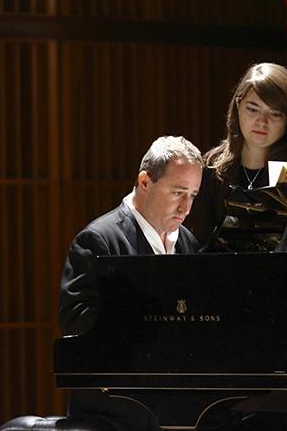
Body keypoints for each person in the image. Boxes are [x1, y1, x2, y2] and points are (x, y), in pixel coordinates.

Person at [59, 135, 203, 430]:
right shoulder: (98, 240)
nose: (186, 208)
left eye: (192, 195)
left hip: (174, 407)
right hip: (114, 411)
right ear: (145, 182)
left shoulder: (187, 242)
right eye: (178, 193)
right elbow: (77, 326)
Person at [186, 62, 287, 248]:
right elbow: (200, 241)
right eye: (252, 109)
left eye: (275, 114)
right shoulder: (212, 165)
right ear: (238, 105)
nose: (262, 122)